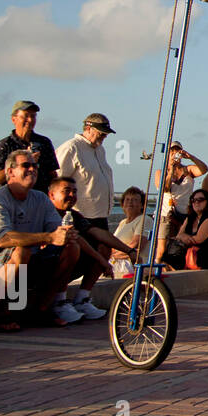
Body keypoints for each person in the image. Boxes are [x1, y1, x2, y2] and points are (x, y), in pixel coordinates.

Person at [0, 151, 82, 327]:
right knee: (21, 251)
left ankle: (41, 310)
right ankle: (0, 313)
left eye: (34, 166)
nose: (32, 169)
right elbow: (2, 239)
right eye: (26, 166)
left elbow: (55, 230)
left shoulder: (41, 198)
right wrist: (48, 237)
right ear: (10, 172)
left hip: (32, 261)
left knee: (72, 248)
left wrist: (66, 236)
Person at [46, 177, 136, 319]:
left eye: (74, 192)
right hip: (44, 264)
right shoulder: (47, 212)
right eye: (66, 191)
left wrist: (130, 251)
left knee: (104, 247)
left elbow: (98, 233)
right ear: (51, 195)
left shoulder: (73, 215)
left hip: (65, 265)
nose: (72, 196)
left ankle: (82, 299)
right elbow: (76, 239)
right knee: (72, 246)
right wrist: (101, 260)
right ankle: (59, 302)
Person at [55, 113, 116, 302]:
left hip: (100, 215)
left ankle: (83, 297)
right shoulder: (71, 148)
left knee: (104, 250)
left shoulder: (100, 150)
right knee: (76, 257)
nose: (104, 137)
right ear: (88, 128)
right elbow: (58, 182)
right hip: (80, 214)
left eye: (106, 133)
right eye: (101, 133)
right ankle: (61, 298)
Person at [154, 143, 207, 261]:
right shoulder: (161, 172)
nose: (174, 154)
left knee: (181, 248)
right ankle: (158, 270)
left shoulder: (188, 170)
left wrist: (191, 157)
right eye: (171, 151)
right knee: (162, 249)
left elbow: (204, 169)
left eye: (177, 151)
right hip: (167, 214)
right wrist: (171, 170)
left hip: (185, 214)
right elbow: (164, 188)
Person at [0, 100, 58, 192]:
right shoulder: (5, 145)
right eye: (26, 116)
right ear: (14, 119)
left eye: (33, 116)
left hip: (39, 199)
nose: (30, 120)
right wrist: (24, 162)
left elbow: (53, 176)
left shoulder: (44, 143)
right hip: (12, 199)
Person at [164, 189, 208, 269]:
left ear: (207, 202)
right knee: (168, 253)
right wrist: (185, 237)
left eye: (200, 200)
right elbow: (179, 235)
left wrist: (184, 237)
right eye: (193, 200)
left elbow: (198, 239)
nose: (196, 202)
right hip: (193, 253)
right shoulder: (191, 217)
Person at [112, 186, 149, 275]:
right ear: (122, 204)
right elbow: (112, 244)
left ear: (142, 205)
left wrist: (113, 255)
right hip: (118, 262)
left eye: (135, 200)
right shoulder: (123, 223)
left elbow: (136, 246)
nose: (130, 202)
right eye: (127, 199)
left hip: (132, 265)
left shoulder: (144, 219)